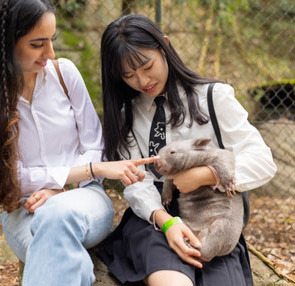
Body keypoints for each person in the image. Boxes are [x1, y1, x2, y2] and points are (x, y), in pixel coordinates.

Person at [0, 1, 156, 285]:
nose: (49, 54)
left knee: (58, 214)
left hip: (85, 200)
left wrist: (62, 187)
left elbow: (94, 146)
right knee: (60, 248)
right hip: (23, 212)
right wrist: (89, 170)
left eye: (52, 41)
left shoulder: (65, 74)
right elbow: (10, 177)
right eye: (37, 44)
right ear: (4, 45)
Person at [97, 14, 277, 286]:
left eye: (147, 66)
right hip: (155, 215)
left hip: (213, 211)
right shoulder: (128, 115)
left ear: (165, 47)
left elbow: (263, 161)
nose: (142, 80)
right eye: (128, 75)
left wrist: (207, 175)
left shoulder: (213, 97)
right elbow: (138, 182)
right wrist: (166, 222)